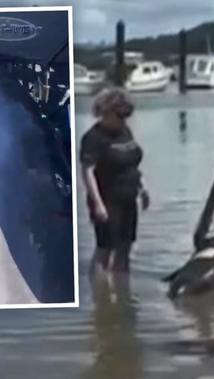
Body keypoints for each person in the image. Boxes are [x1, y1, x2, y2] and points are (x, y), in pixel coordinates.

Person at [80, 87, 149, 273]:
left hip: (129, 199)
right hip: (107, 201)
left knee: (125, 247)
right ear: (106, 112)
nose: (124, 120)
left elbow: (132, 164)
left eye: (127, 116)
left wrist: (142, 189)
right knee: (105, 249)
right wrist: (98, 204)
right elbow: (88, 172)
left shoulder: (125, 131)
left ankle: (121, 293)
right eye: (120, 116)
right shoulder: (93, 138)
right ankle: (100, 295)